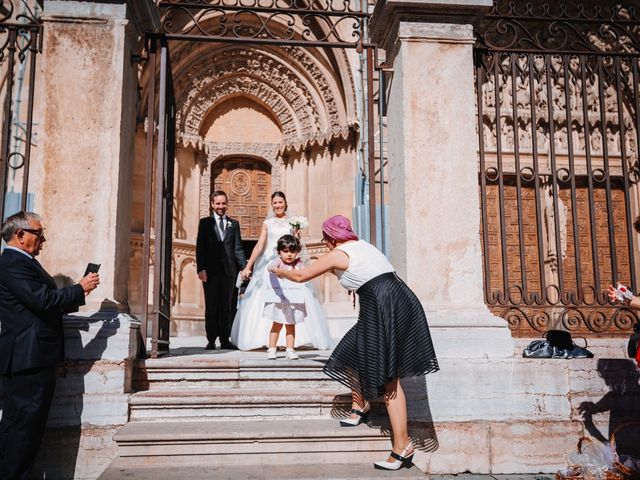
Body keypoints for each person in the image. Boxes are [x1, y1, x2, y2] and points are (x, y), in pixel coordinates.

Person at [270, 214, 439, 471]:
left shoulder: (339, 253)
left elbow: (301, 276)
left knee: (390, 380)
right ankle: (360, 404)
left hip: (382, 303)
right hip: (395, 299)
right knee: (351, 349)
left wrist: (277, 269)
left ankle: (402, 447)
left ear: (328, 238)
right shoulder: (364, 246)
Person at [0, 211, 100, 479]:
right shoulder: (13, 263)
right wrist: (79, 288)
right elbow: (44, 300)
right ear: (20, 235)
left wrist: (78, 291)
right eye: (39, 233)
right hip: (27, 358)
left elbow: (44, 301)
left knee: (21, 427)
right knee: (23, 430)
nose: (43, 239)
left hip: (32, 357)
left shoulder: (23, 262)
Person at [230, 191, 332, 351]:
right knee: (268, 299)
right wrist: (249, 265)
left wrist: (298, 236)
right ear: (272, 205)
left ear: (285, 203)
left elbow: (296, 246)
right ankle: (265, 339)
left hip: (290, 266)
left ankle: (295, 341)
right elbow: (260, 245)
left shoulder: (292, 222)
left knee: (294, 297)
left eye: (280, 202)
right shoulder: (267, 223)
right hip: (269, 265)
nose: (278, 205)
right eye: (275, 203)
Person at [196, 190, 247, 350]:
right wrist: (201, 268)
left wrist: (245, 267)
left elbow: (237, 248)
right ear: (212, 204)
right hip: (209, 272)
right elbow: (200, 247)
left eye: (223, 203)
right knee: (211, 305)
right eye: (218, 203)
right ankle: (211, 339)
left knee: (226, 306)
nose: (221, 206)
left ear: (227, 204)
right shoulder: (204, 223)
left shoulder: (234, 224)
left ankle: (225, 340)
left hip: (229, 272)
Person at [265, 234, 307, 360]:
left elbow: (304, 273)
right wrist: (276, 270)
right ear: (279, 252)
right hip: (279, 300)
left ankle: (290, 349)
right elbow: (270, 267)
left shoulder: (298, 263)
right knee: (276, 324)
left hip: (293, 300)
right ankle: (272, 348)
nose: (289, 255)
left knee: (290, 325)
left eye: (293, 252)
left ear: (297, 252)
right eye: (285, 251)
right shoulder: (278, 262)